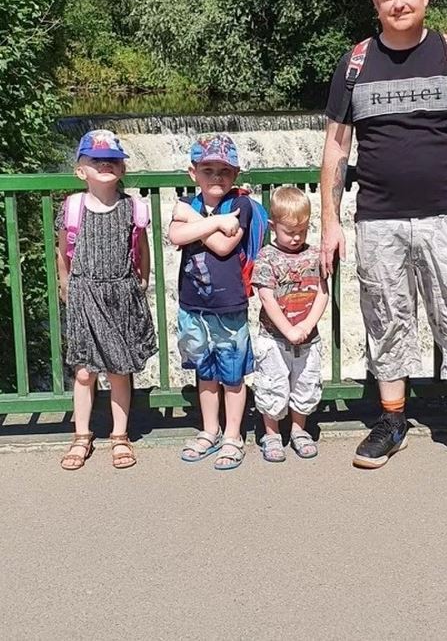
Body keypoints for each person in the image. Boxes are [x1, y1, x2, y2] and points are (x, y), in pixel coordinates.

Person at [320, 0, 447, 487]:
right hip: (377, 220)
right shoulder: (355, 63)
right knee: (387, 318)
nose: (398, 3)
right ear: (376, 3)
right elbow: (335, 145)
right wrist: (330, 219)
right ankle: (391, 420)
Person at [57, 129, 157, 470]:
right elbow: (63, 251)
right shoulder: (72, 207)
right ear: (80, 170)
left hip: (120, 292)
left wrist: (143, 277)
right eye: (96, 159)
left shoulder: (132, 208)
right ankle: (81, 435)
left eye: (113, 160)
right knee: (84, 373)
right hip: (84, 293)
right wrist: (65, 282)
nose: (105, 164)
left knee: (118, 370)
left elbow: (140, 247)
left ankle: (119, 436)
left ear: (122, 169)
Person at [169, 133, 254, 471]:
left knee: (232, 376)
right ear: (193, 173)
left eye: (224, 170)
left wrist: (197, 221)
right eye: (208, 170)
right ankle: (209, 430)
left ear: (235, 174)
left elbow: (223, 247)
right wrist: (216, 222)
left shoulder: (241, 205)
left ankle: (233, 435)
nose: (216, 177)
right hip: (193, 306)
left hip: (230, 305)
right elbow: (175, 236)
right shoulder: (190, 204)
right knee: (205, 372)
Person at [252, 186, 328, 462]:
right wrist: (288, 329)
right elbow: (266, 297)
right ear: (273, 226)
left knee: (305, 384)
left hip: (308, 337)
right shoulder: (267, 257)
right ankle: (271, 433)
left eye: (302, 231)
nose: (296, 237)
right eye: (289, 231)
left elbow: (322, 292)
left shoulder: (315, 255)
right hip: (273, 337)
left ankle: (299, 429)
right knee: (272, 384)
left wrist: (306, 326)